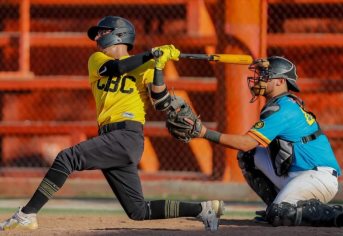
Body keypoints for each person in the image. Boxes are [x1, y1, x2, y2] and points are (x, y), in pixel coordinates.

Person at [0, 16, 224, 232]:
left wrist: (158, 65)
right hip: (113, 139)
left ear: (119, 35)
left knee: (67, 158)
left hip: (127, 135)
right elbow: (116, 69)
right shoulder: (97, 60)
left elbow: (160, 100)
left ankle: (27, 215)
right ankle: (203, 209)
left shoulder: (146, 67)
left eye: (102, 32)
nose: (97, 37)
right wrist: (151, 55)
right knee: (138, 210)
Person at [189, 56, 343, 226]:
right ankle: (278, 207)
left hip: (317, 177)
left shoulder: (284, 108)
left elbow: (246, 142)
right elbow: (248, 149)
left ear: (279, 81)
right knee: (248, 156)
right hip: (297, 174)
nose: (260, 79)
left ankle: (337, 215)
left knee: (280, 213)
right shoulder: (280, 104)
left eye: (266, 76)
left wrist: (204, 133)